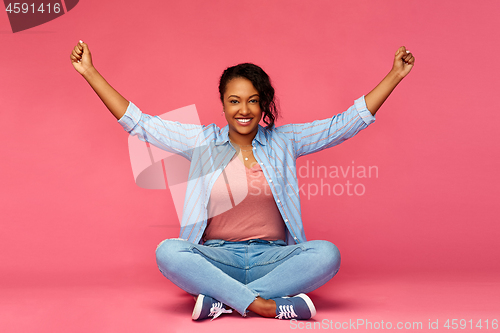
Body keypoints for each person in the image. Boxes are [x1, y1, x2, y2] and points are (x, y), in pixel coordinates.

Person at [70, 41, 415, 321]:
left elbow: (342, 125)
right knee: (168, 251)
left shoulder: (284, 141)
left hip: (274, 259)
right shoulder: (202, 142)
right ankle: (263, 305)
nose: (244, 110)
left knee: (327, 254)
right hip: (216, 259)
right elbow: (140, 123)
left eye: (252, 100)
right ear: (222, 104)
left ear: (264, 103)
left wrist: (395, 76)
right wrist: (90, 72)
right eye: (234, 101)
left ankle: (223, 300)